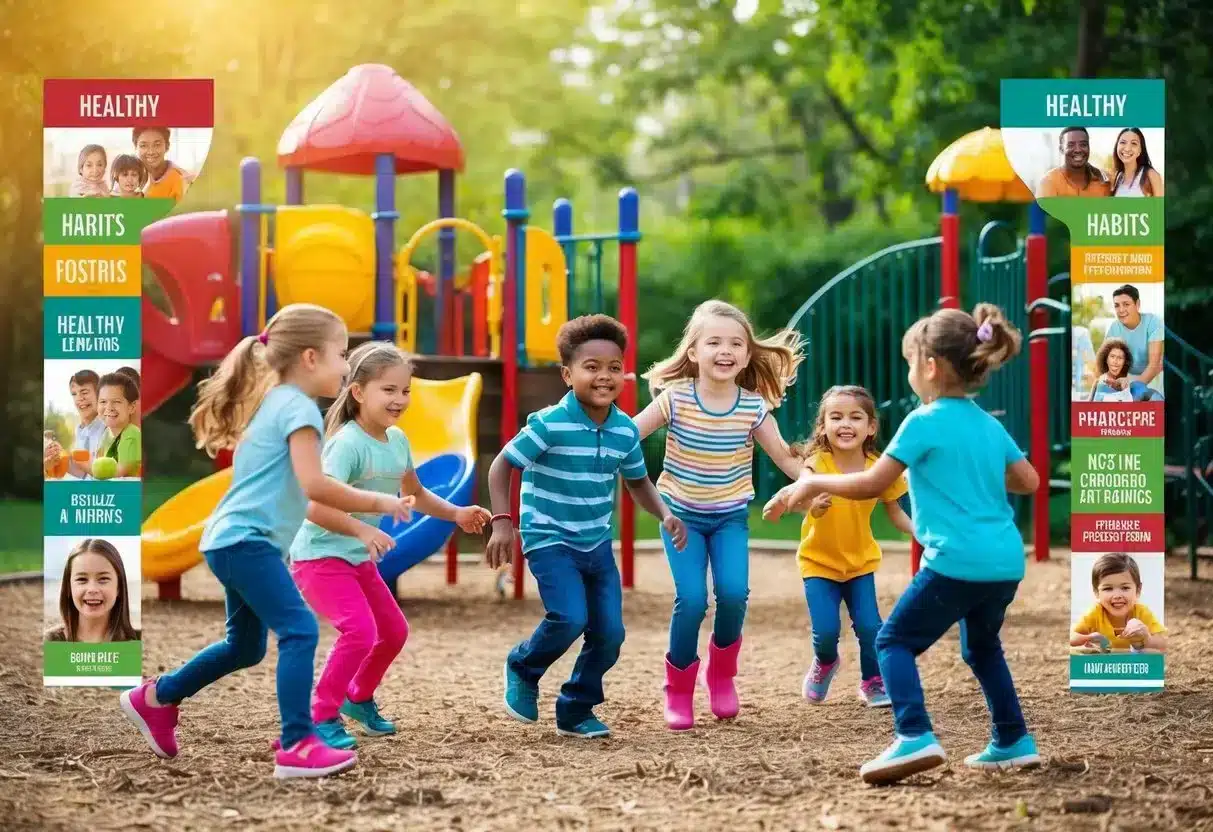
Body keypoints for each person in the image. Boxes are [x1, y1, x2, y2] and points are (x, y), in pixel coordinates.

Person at [118, 303, 413, 779]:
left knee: (246, 647)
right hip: (245, 542)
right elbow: (314, 486)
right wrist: (379, 506)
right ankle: (297, 744)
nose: (345, 366)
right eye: (341, 355)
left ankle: (155, 697)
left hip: (234, 541)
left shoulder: (279, 401)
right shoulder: (299, 411)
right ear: (312, 358)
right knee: (299, 630)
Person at [765, 303, 1042, 785]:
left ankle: (914, 734)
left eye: (910, 361)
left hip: (955, 563)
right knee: (982, 648)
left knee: (892, 641)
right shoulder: (987, 424)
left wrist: (814, 486)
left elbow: (873, 484)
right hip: (1003, 562)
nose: (910, 371)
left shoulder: (923, 422)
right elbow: (1028, 480)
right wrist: (970, 471)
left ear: (929, 367)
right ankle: (1012, 740)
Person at [486, 314, 688, 739]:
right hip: (549, 538)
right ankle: (523, 665)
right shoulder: (548, 424)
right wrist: (504, 523)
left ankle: (576, 708)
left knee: (610, 633)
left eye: (614, 368)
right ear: (567, 374)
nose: (604, 376)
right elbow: (502, 465)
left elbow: (637, 482)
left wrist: (665, 513)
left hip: (596, 544)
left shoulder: (624, 431)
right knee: (569, 617)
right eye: (591, 367)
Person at [288, 341, 490, 750]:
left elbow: (416, 493)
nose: (400, 399)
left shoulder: (396, 440)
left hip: (356, 558)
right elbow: (312, 506)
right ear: (359, 392)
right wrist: (362, 530)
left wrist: (456, 513)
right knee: (359, 632)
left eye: (406, 390)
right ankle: (321, 714)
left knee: (393, 631)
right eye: (389, 390)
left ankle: (357, 697)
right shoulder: (346, 444)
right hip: (320, 557)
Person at [632, 299, 804, 731]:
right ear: (693, 352)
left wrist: (823, 482)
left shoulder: (751, 408)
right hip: (680, 518)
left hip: (728, 518)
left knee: (732, 594)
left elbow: (786, 459)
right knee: (691, 600)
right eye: (714, 342)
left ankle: (722, 675)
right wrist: (584, 448)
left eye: (735, 343)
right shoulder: (676, 399)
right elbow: (628, 435)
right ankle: (679, 688)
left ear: (747, 355)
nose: (725, 350)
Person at [764, 385, 912, 708]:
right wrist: (804, 507)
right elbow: (801, 495)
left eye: (855, 417)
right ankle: (825, 662)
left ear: (870, 427)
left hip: (859, 563)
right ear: (823, 426)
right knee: (827, 631)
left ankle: (872, 681)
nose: (845, 424)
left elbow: (896, 512)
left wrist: (921, 534)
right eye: (836, 417)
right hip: (819, 562)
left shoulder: (878, 467)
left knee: (871, 627)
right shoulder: (817, 462)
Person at [45, 538, 140, 643]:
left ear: (119, 588)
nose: (92, 589)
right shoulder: (51, 641)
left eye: (103, 579)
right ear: (68, 588)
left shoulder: (137, 642)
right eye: (82, 579)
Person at [1071, 553, 1167, 652]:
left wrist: (1147, 638)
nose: (1117, 595)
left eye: (1125, 588)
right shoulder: (1095, 613)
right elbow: (1072, 637)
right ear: (1096, 592)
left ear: (1138, 590)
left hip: (1133, 665)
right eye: (1108, 588)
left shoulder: (1142, 613)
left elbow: (1163, 644)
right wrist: (1089, 638)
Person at [1103, 285, 1163, 400]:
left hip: (1153, 378)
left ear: (1137, 304)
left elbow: (1155, 365)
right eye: (1117, 305)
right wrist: (1114, 382)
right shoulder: (1114, 328)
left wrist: (1133, 387)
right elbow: (1107, 362)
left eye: (1126, 304)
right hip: (1126, 379)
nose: (1121, 310)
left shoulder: (1153, 322)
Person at [1035, 126, 1110, 198]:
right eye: (1070, 145)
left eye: (1083, 144)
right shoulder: (1049, 182)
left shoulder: (1103, 183)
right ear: (1061, 149)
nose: (1078, 150)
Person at [97, 372, 143, 478]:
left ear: (132, 407)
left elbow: (120, 473)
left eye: (116, 401)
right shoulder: (106, 436)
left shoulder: (131, 433)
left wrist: (83, 464)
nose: (109, 407)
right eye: (103, 401)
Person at [133, 127, 190, 201]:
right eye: (143, 146)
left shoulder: (181, 180)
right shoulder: (132, 178)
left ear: (167, 146)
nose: (151, 152)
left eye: (157, 145)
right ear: (136, 147)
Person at [1110, 127, 1164, 197]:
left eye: (1134, 143)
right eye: (1123, 142)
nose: (1127, 148)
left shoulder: (1151, 175)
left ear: (1140, 150)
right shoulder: (1118, 177)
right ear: (1117, 146)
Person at [1087, 338, 1134, 402]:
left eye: (1120, 358)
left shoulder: (1128, 382)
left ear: (1125, 362)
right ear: (1106, 359)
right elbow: (1088, 406)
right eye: (1112, 356)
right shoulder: (1100, 381)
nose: (1115, 361)